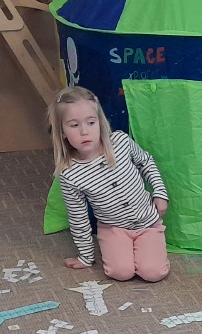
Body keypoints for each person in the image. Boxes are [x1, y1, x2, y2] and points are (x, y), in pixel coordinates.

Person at [49, 85, 169, 282]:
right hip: (113, 228)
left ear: (100, 121)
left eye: (91, 122)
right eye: (74, 125)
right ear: (62, 132)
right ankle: (125, 250)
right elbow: (78, 217)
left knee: (153, 273)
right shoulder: (69, 174)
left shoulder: (120, 142)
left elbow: (146, 162)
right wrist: (86, 256)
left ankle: (149, 248)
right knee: (121, 273)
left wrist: (160, 193)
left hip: (148, 222)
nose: (84, 131)